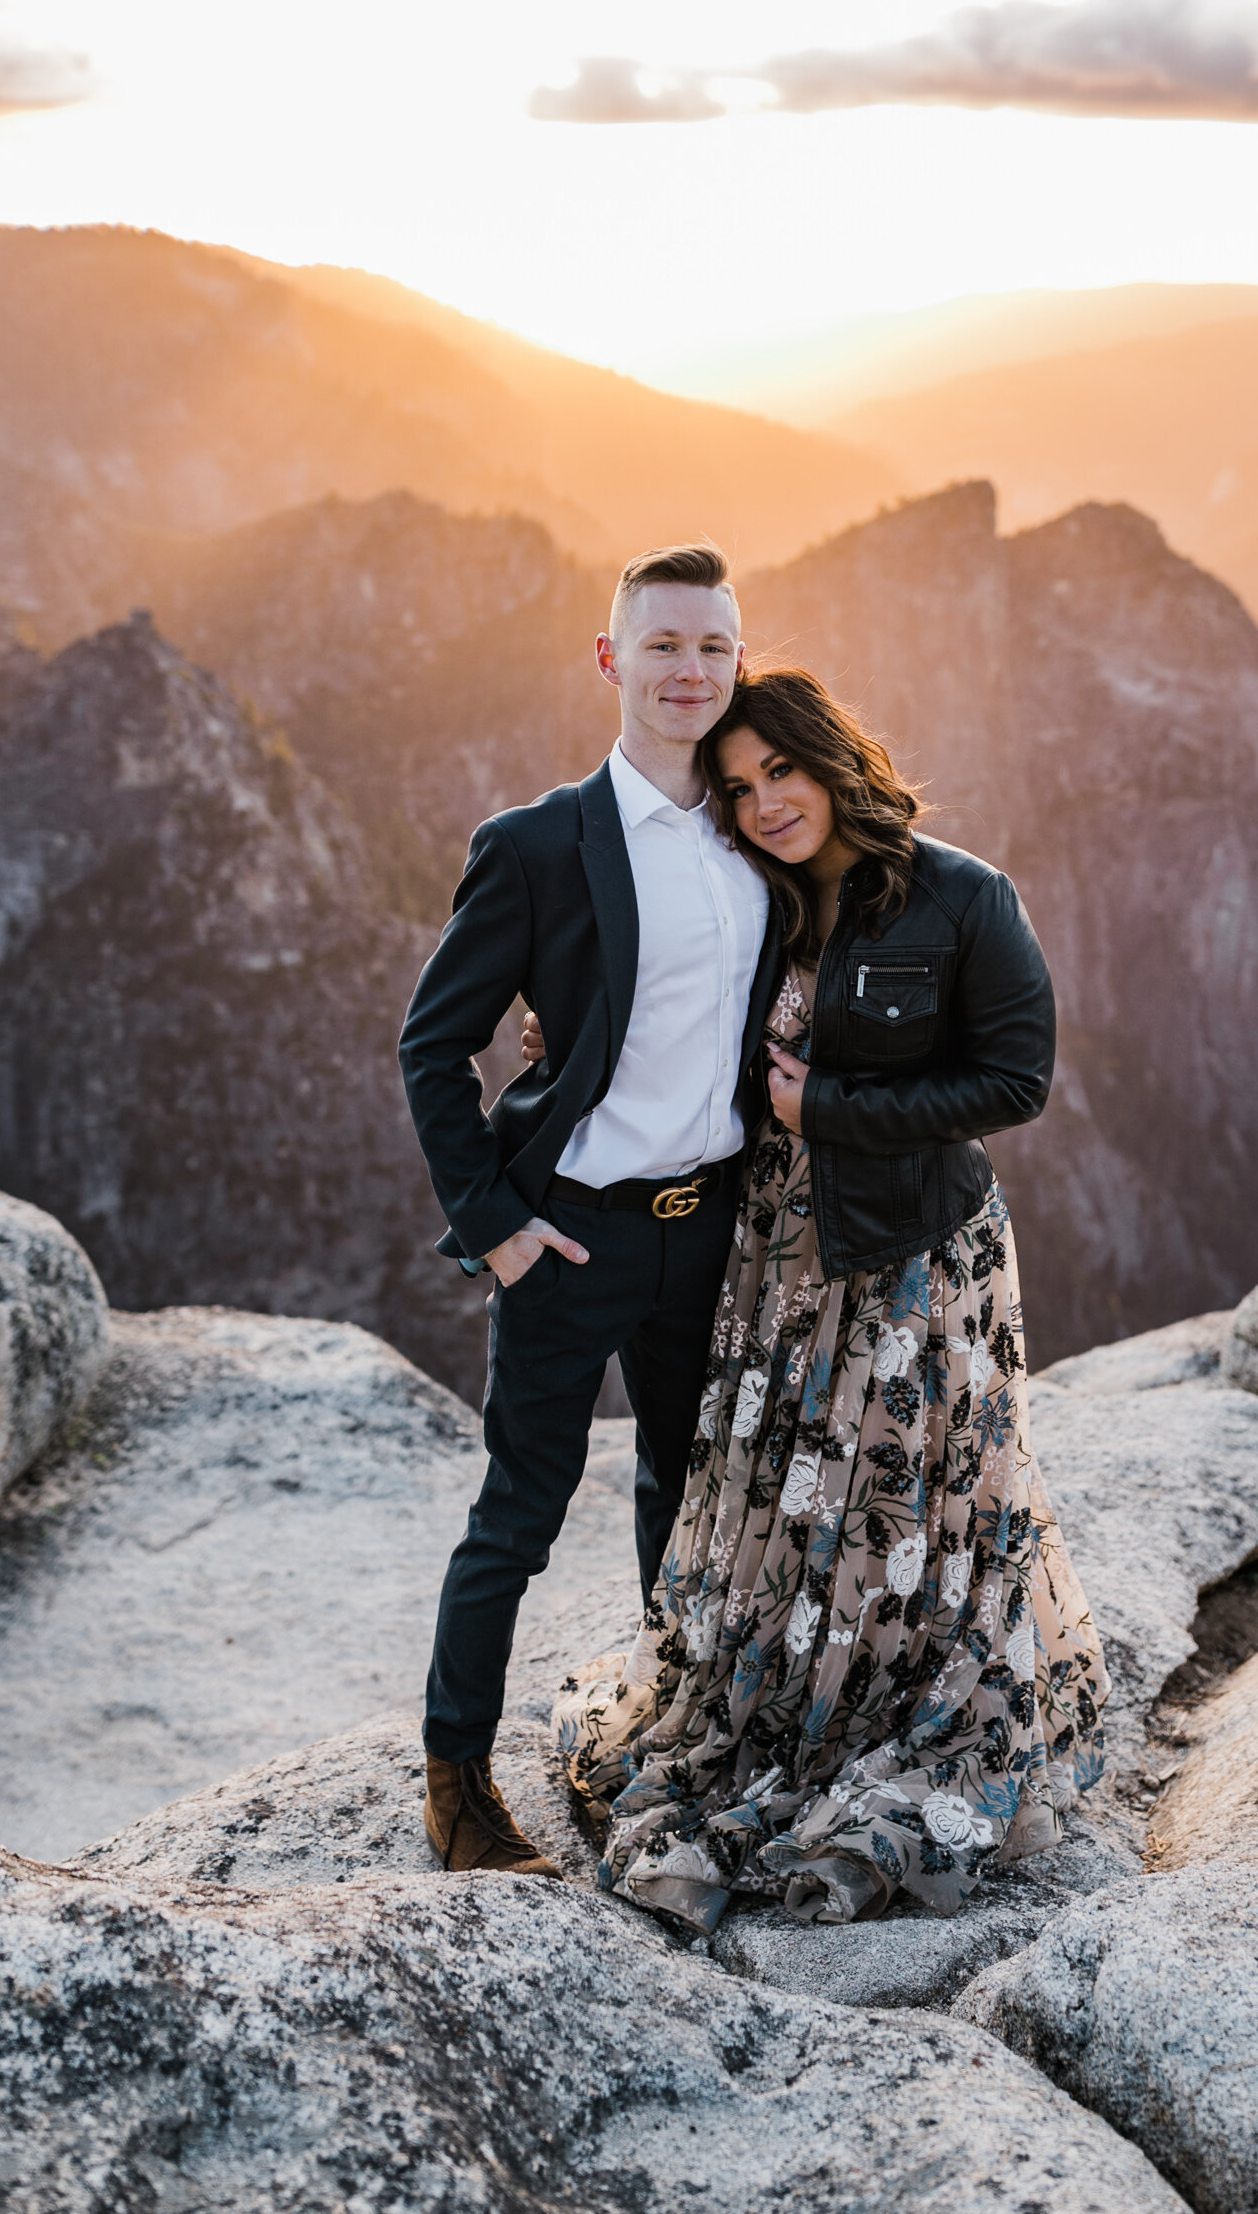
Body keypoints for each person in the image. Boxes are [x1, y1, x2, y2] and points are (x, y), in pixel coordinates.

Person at [549, 665, 1108, 1930]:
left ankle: (895, 1707)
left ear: (831, 757)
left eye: (779, 771)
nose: (761, 804)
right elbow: (666, 1016)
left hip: (915, 1260)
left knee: (902, 1499)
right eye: (737, 788)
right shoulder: (754, 903)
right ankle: (785, 1700)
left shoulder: (962, 895)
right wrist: (565, 1027)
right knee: (790, 1491)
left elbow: (1014, 1081)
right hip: (774, 1256)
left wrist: (830, 1110)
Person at [399, 544, 781, 1878]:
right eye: (663, 645)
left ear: (739, 665)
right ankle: (457, 1789)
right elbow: (430, 1046)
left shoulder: (755, 834)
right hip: (570, 1231)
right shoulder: (537, 845)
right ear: (610, 660)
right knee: (520, 1507)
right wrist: (494, 1223)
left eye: (713, 648)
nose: (689, 671)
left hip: (711, 1230)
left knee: (689, 1499)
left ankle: (666, 1741)